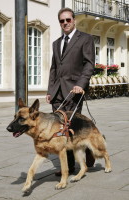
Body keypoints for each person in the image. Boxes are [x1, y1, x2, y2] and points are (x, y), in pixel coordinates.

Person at [46, 7, 95, 176]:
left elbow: (89, 64)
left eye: (68, 20)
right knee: (59, 130)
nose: (65, 23)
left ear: (74, 20)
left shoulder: (85, 39)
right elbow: (54, 68)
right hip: (57, 94)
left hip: (74, 91)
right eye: (62, 21)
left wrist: (81, 84)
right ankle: (68, 166)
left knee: (71, 127)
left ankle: (88, 149)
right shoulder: (56, 43)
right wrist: (49, 90)